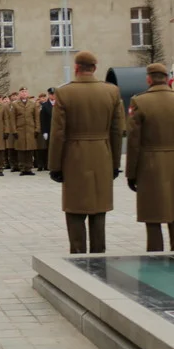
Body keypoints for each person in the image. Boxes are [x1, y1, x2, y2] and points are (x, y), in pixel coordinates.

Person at [47, 51, 125, 254]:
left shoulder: (64, 92)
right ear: (95, 68)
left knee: (75, 210)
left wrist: (55, 165)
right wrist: (115, 163)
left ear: (76, 68)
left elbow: (58, 133)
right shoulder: (111, 92)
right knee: (98, 209)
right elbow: (117, 132)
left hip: (74, 156)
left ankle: (78, 256)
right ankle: (99, 257)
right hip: (102, 154)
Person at [126, 64, 174, 252]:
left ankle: (155, 256)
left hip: (150, 162)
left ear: (149, 79)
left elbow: (134, 141)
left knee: (152, 214)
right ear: (167, 78)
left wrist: (131, 173)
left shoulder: (139, 102)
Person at [12, 88, 38, 175]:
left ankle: (29, 168)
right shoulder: (15, 104)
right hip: (20, 130)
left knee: (30, 150)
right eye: (22, 92)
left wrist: (37, 129)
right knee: (21, 150)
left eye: (25, 92)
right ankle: (23, 168)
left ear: (28, 93)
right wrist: (14, 130)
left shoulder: (33, 104)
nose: (24, 93)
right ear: (19, 94)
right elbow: (12, 119)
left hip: (30, 129)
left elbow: (36, 118)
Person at [40, 89, 56, 173]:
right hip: (49, 130)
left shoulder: (59, 104)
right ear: (49, 95)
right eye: (51, 94)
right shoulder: (45, 105)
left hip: (58, 130)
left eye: (54, 94)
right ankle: (49, 165)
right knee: (49, 149)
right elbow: (43, 119)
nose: (53, 96)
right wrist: (44, 131)